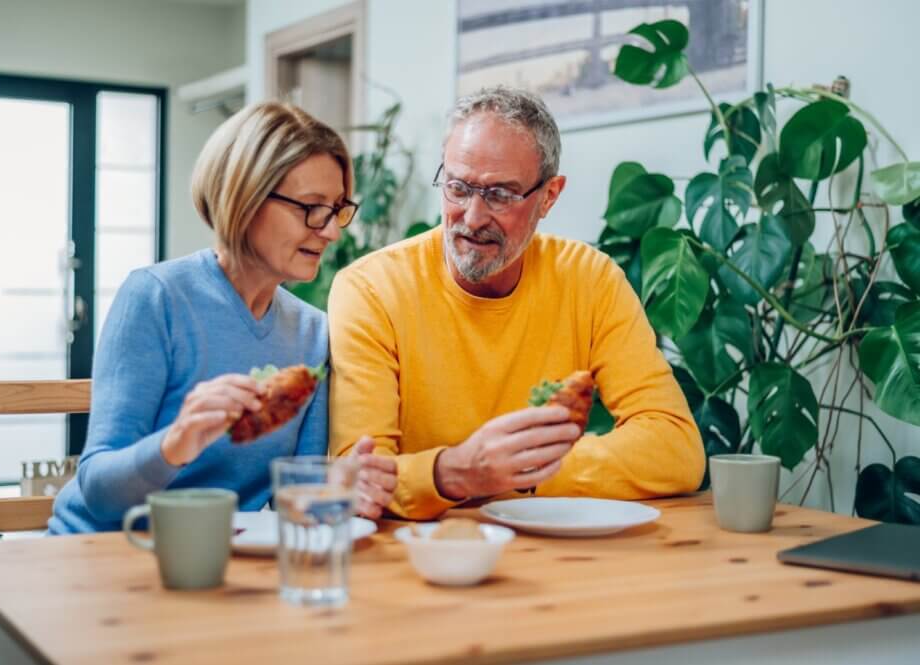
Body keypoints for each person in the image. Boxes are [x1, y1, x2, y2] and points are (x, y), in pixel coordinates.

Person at [327, 87, 704, 520]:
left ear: (549, 196)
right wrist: (456, 473)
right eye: (457, 187)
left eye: (501, 195)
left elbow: (675, 447)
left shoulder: (590, 279)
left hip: (561, 558)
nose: (471, 217)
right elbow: (360, 477)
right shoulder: (372, 289)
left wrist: (508, 473)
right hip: (422, 559)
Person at [50, 102, 396, 534]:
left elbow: (288, 497)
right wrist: (177, 442)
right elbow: (99, 493)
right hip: (108, 554)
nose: (330, 231)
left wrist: (338, 487)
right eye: (311, 207)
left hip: (220, 562)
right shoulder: (155, 298)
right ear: (246, 198)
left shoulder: (312, 332)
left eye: (337, 209)